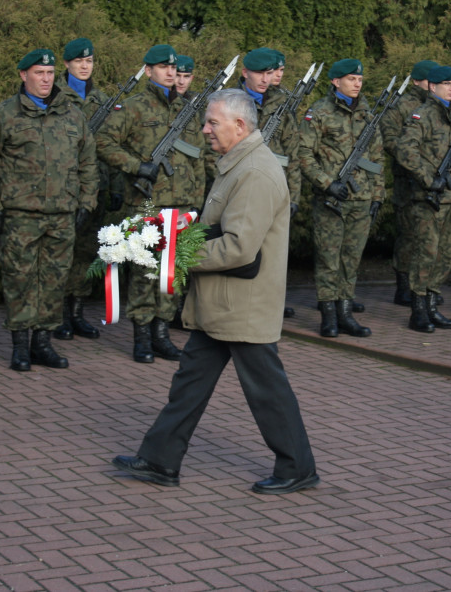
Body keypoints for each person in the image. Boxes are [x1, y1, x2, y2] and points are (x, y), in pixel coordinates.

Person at [112, 89, 318, 495]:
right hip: (223, 303)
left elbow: (239, 246)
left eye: (213, 122)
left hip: (242, 305)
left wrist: (176, 256)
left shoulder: (255, 173)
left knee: (267, 391)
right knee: (189, 383)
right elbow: (219, 228)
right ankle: (160, 460)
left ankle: (298, 467)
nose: (204, 129)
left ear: (240, 126)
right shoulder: (239, 165)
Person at [0, 48, 98, 372]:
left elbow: (88, 162)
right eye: (38, 73)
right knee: (19, 280)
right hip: (20, 215)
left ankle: (42, 344)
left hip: (62, 215)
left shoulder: (72, 114)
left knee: (54, 280)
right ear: (23, 75)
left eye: (49, 74)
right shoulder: (3, 115)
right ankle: (20, 346)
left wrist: (87, 202)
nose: (45, 79)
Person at [98, 44, 207, 363]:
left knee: (171, 274)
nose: (171, 72)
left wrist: (197, 202)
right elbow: (103, 143)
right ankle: (142, 338)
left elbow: (199, 157)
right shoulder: (133, 107)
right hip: (149, 204)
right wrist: (136, 166)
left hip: (183, 205)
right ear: (148, 71)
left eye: (173, 68)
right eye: (163, 68)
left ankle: (162, 334)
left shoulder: (188, 109)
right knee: (146, 274)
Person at [299, 59, 384, 338]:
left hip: (361, 199)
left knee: (351, 259)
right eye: (351, 79)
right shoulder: (319, 113)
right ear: (336, 82)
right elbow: (304, 155)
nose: (357, 83)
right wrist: (327, 184)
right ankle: (328, 315)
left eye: (360, 79)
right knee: (328, 259)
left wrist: (377, 195)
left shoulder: (367, 114)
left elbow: (377, 158)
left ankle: (346, 313)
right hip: (331, 201)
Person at [395, 65, 451, 331]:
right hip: (429, 199)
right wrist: (428, 179)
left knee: (444, 256)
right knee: (426, 254)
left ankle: (433, 306)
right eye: (447, 84)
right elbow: (405, 151)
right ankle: (419, 310)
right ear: (432, 87)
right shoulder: (422, 116)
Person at [53, 37, 112, 341]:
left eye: (89, 62)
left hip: (95, 187)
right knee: (62, 251)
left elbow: (110, 145)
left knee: (88, 250)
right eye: (79, 62)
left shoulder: (102, 100)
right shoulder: (54, 96)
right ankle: (59, 314)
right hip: (63, 187)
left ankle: (77, 313)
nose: (85, 66)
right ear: (67, 64)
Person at [238, 47, 301, 318]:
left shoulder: (281, 102)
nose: (265, 79)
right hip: (241, 187)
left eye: (269, 73)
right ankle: (241, 304)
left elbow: (293, 152)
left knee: (272, 252)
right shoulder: (230, 102)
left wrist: (294, 196)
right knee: (241, 249)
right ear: (245, 73)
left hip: (275, 189)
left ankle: (268, 301)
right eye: (259, 74)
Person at [382, 59, 438, 307]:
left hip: (431, 181)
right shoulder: (401, 106)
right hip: (408, 180)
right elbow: (390, 139)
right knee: (408, 235)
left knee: (428, 237)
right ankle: (403, 286)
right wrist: (413, 158)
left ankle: (424, 287)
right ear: (417, 81)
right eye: (429, 80)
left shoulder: (437, 106)